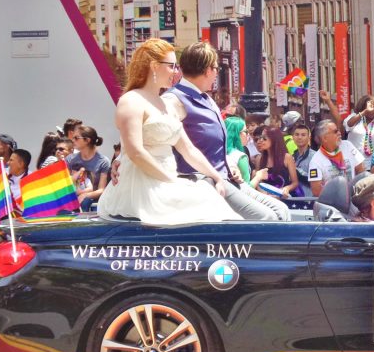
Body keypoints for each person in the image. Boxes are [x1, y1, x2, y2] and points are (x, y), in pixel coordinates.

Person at [96, 38, 239, 225]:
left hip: (165, 182)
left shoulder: (166, 104)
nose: (176, 72)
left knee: (210, 198)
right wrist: (171, 180)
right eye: (171, 66)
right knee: (207, 203)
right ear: (154, 66)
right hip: (141, 188)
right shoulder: (131, 101)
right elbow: (135, 152)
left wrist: (216, 176)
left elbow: (188, 149)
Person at [159, 41, 285, 221]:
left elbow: (213, 145)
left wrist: (228, 164)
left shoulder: (207, 99)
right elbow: (159, 138)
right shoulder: (173, 99)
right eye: (216, 68)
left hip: (226, 177)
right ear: (207, 70)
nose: (217, 73)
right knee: (267, 218)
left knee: (281, 211)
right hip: (203, 182)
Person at [309, 119, 366, 196]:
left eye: (338, 130)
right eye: (335, 132)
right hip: (333, 203)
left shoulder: (347, 145)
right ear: (325, 138)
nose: (339, 133)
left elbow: (361, 169)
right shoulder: (315, 161)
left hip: (354, 198)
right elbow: (316, 191)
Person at [67, 125, 110, 212]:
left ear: (87, 140)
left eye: (76, 138)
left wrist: (86, 195)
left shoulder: (103, 161)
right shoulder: (69, 159)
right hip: (73, 206)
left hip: (94, 207)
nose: (72, 140)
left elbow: (101, 190)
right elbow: (66, 185)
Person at [251, 126, 300, 199]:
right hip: (265, 199)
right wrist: (265, 195)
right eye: (260, 138)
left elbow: (295, 183)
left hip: (283, 198)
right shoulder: (259, 159)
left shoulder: (287, 158)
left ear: (274, 140)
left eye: (264, 139)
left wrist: (286, 188)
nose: (259, 141)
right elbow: (259, 182)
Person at [343, 95, 374, 161]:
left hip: (373, 165)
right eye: (371, 106)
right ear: (363, 106)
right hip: (355, 163)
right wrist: (364, 112)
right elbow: (349, 125)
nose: (373, 110)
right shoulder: (355, 117)